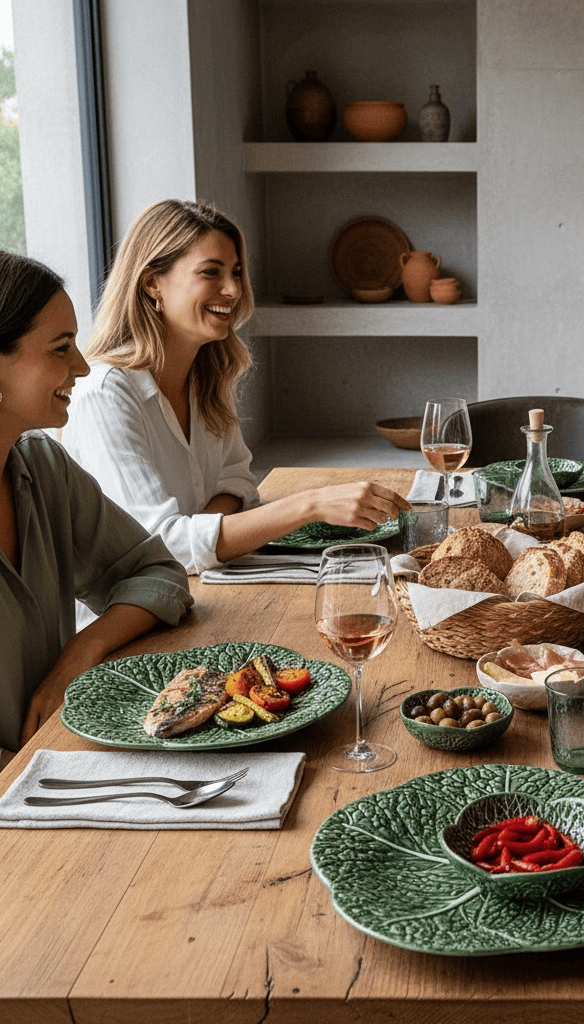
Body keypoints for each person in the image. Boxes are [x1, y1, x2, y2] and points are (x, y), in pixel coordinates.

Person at [62, 200, 410, 576]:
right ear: (152, 284)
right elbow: (160, 549)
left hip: (194, 587)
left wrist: (198, 533)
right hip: (128, 608)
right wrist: (310, 505)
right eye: (211, 272)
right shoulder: (105, 394)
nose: (233, 290)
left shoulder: (206, 376)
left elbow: (239, 481)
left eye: (236, 273)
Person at [0, 250, 192, 753]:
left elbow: (158, 572)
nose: (83, 366)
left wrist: (80, 652)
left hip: (56, 760)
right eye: (61, 348)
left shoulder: (44, 467)